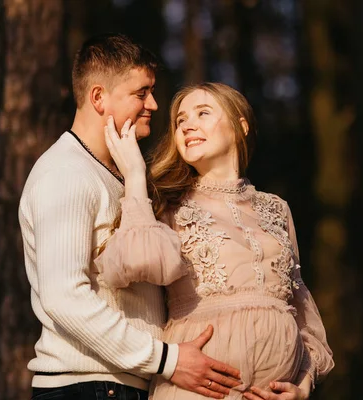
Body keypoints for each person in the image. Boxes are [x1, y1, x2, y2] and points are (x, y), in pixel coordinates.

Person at [18, 35, 241, 400]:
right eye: (141, 93)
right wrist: (167, 359)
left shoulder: (121, 173)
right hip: (86, 387)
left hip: (123, 385)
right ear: (98, 97)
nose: (153, 104)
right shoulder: (65, 173)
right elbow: (64, 298)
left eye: (152, 91)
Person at [97, 82, 335, 400]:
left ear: (241, 126)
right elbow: (133, 262)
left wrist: (304, 383)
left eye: (203, 113)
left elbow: (300, 306)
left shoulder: (277, 207)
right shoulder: (166, 203)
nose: (188, 125)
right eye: (180, 120)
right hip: (198, 390)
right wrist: (136, 176)